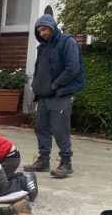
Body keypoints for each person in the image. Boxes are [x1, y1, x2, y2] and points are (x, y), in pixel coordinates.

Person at [23, 14, 85, 178]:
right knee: (41, 128)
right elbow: (40, 68)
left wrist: (55, 85)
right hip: (44, 94)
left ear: (52, 27)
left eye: (45, 29)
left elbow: (72, 68)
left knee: (59, 128)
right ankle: (43, 160)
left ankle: (66, 163)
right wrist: (36, 85)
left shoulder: (67, 42)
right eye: (39, 30)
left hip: (61, 94)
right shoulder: (43, 47)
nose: (42, 33)